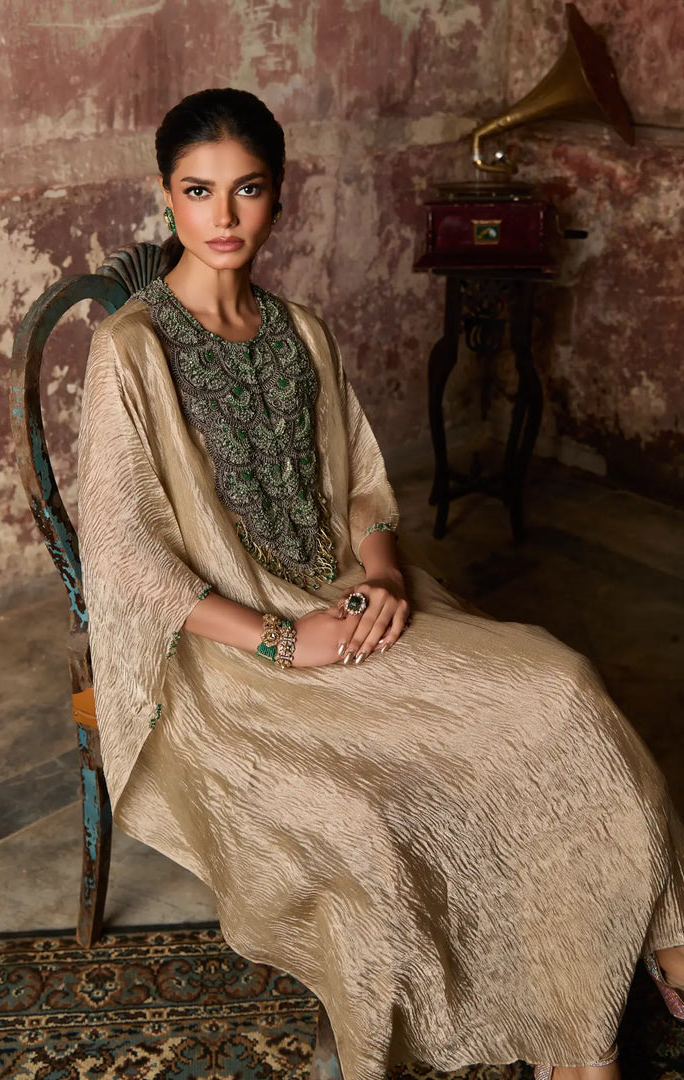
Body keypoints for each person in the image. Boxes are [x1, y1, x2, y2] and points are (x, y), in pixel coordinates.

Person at [78, 88, 684, 1080]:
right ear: (166, 194)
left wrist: (386, 576)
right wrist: (284, 640)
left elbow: (363, 485)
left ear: (280, 195)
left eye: (247, 190)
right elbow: (125, 553)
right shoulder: (130, 352)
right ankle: (574, 1039)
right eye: (198, 190)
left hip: (351, 603)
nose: (223, 216)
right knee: (370, 817)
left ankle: (633, 962)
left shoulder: (302, 331)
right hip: (229, 659)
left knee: (563, 687)